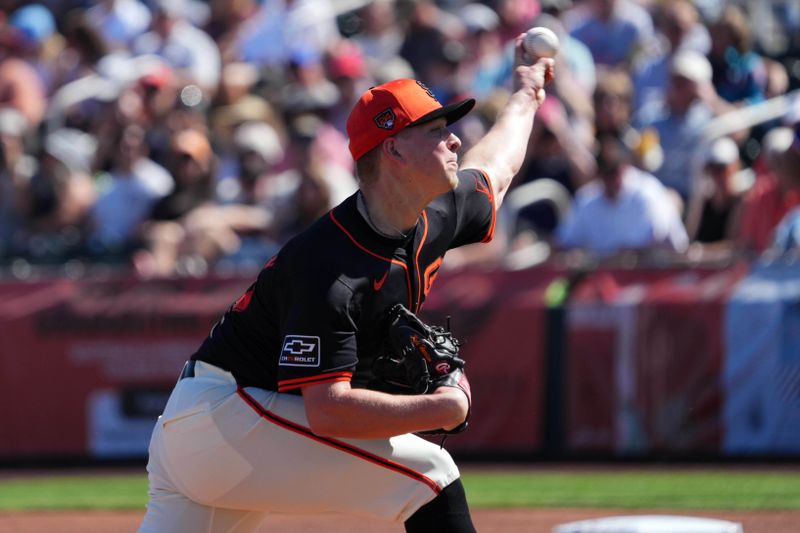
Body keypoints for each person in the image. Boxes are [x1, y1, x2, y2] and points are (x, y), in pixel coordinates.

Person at [138, 35, 554, 532]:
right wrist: (439, 407)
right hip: (230, 415)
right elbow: (329, 412)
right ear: (394, 148)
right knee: (431, 477)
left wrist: (526, 92)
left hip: (210, 428)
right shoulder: (329, 265)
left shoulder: (434, 214)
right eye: (437, 129)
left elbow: (498, 169)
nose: (455, 139)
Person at [555, 133, 688, 257]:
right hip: (608, 275)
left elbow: (658, 243)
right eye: (606, 172)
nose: (612, 179)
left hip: (660, 273)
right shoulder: (587, 199)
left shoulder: (647, 193)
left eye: (615, 171)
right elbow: (564, 243)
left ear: (625, 166)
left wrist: (622, 256)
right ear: (598, 173)